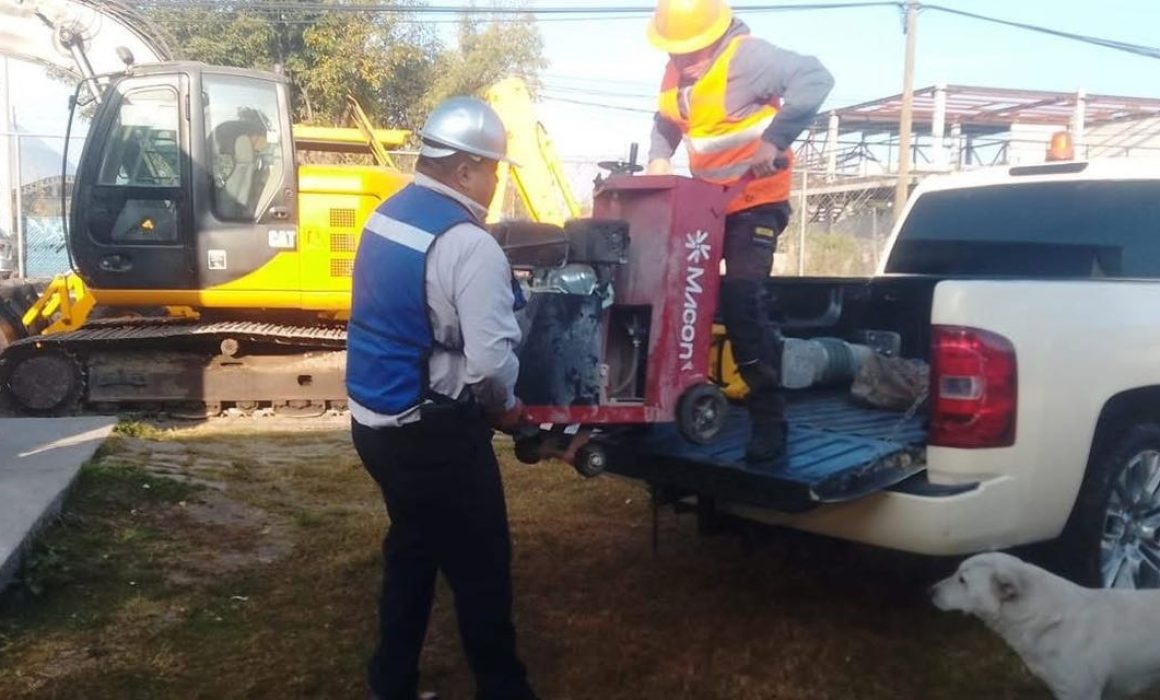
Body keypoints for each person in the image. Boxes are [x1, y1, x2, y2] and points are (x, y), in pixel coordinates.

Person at [346, 96, 538, 700]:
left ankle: (391, 681)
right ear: (464, 170)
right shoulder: (469, 245)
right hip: (432, 435)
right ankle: (504, 690)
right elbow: (490, 366)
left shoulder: (386, 215)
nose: (497, 182)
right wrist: (507, 410)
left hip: (373, 423)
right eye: (494, 169)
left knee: (414, 547)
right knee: (482, 568)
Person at [645, 0, 834, 463]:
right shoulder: (675, 73)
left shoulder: (749, 57)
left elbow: (815, 77)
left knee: (742, 299)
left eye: (692, 50)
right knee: (681, 294)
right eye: (676, 51)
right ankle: (675, 398)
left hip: (756, 203)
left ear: (715, 37)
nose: (684, 60)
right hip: (707, 206)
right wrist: (659, 156)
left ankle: (769, 418)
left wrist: (775, 140)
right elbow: (667, 120)